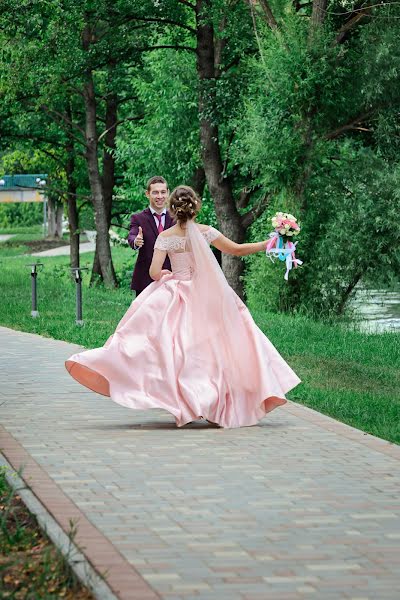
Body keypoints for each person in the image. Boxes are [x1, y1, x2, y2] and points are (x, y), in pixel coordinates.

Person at [66, 185, 300, 429]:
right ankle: (213, 401)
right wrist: (270, 242)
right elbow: (238, 250)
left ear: (172, 209)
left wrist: (166, 273)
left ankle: (186, 401)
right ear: (196, 207)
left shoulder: (165, 237)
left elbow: (154, 272)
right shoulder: (207, 232)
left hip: (175, 293)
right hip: (206, 295)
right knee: (213, 348)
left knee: (174, 350)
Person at [127, 176, 174, 296]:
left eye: (163, 192)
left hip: (172, 277)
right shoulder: (138, 218)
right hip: (145, 279)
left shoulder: (176, 217)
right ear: (147, 194)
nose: (160, 196)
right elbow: (132, 235)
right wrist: (136, 241)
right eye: (155, 192)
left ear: (168, 193)